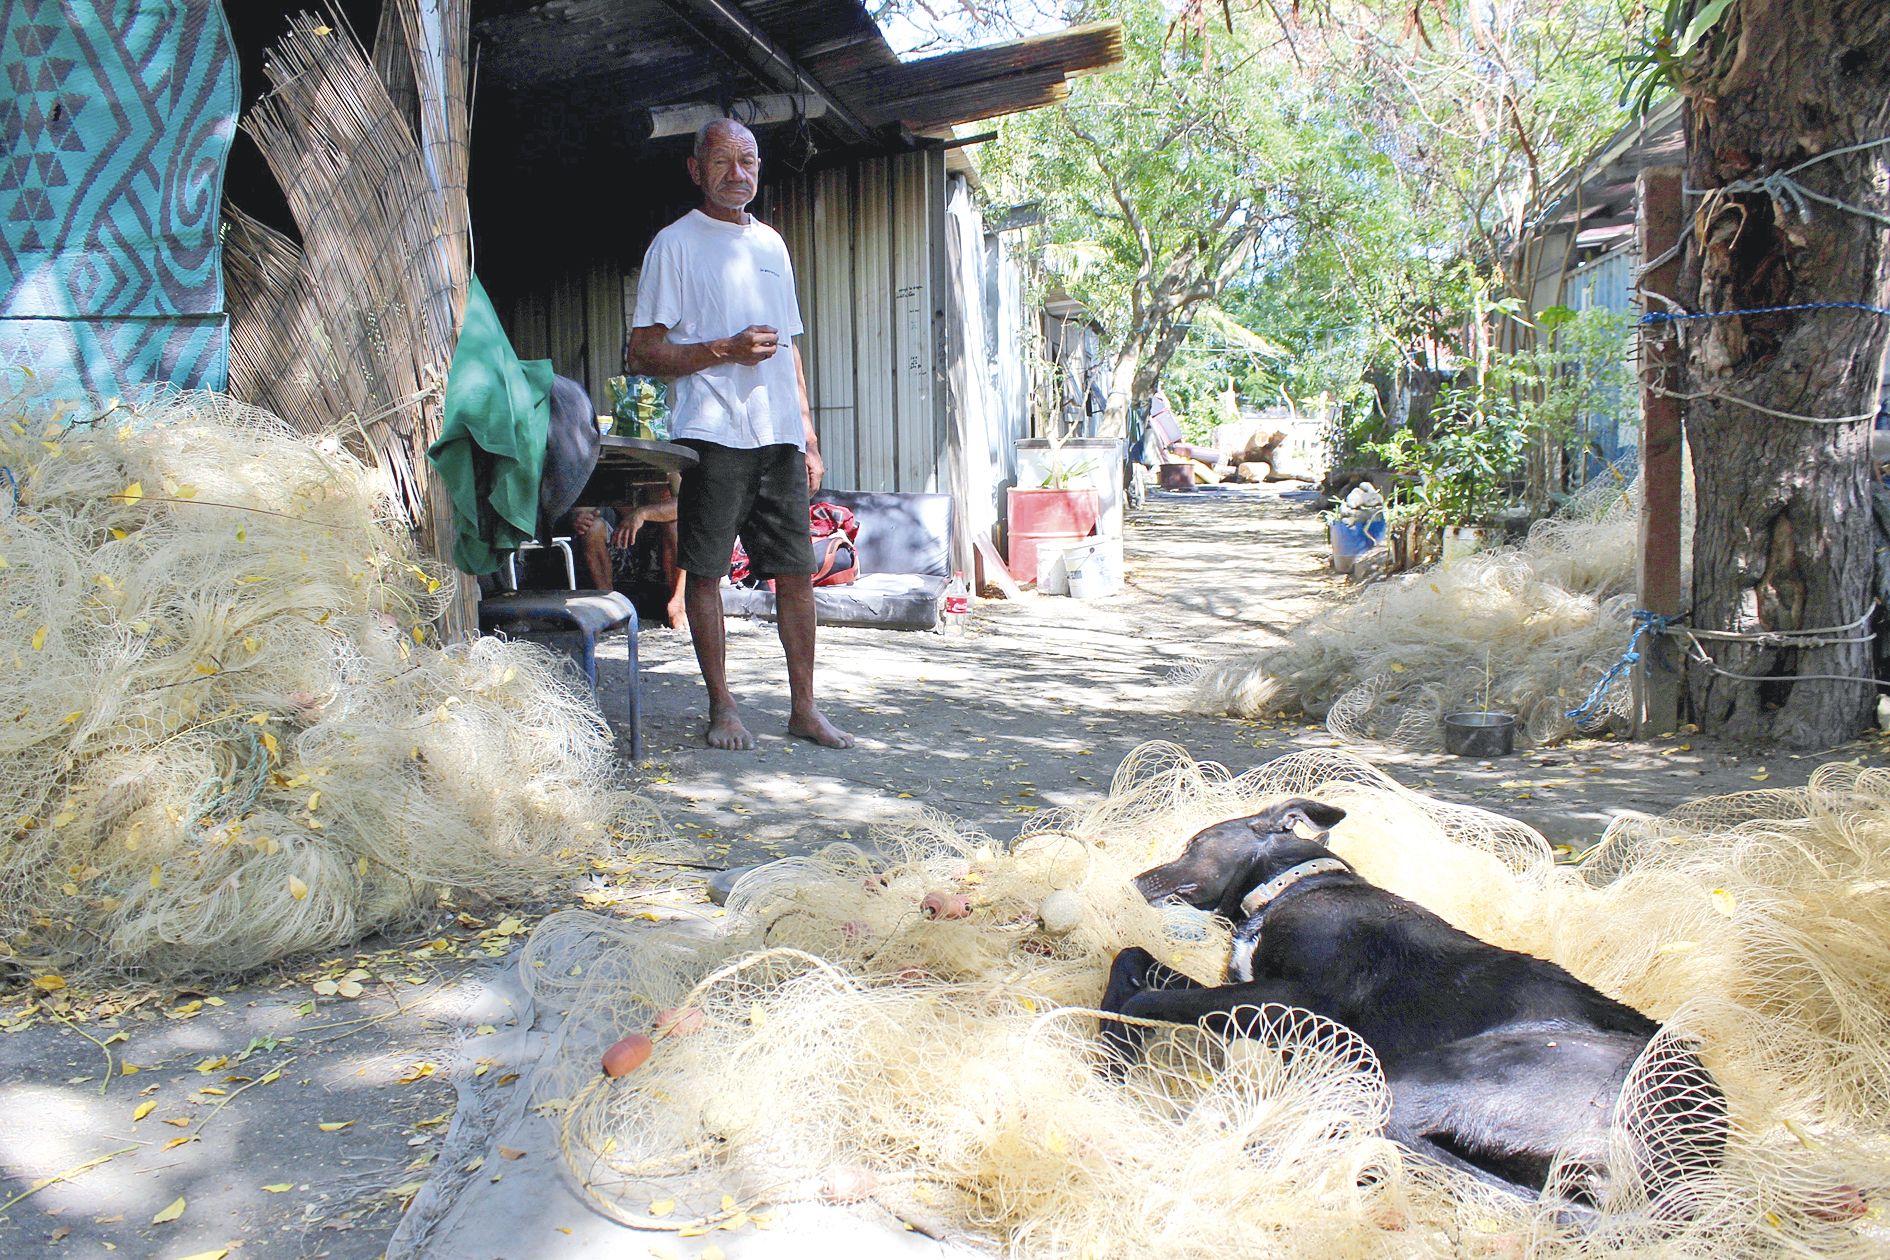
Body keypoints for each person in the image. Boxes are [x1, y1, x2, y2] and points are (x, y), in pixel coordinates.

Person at [625, 117, 853, 751]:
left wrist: (806, 432)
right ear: (696, 170)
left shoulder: (772, 244)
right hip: (713, 431)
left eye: (748, 160)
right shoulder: (673, 244)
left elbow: (789, 348)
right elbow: (642, 352)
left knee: (796, 571)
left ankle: (804, 708)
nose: (738, 173)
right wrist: (724, 349)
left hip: (777, 434)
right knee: (704, 571)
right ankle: (722, 706)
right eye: (722, 161)